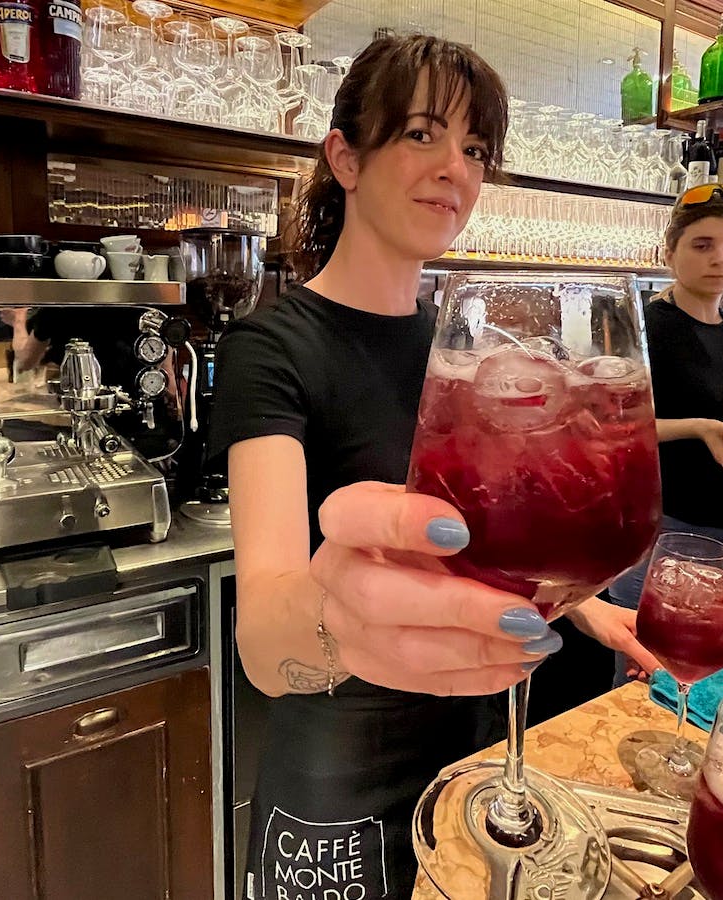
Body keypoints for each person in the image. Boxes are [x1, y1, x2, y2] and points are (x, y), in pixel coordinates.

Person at [209, 34, 659, 897]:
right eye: (421, 134)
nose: (455, 167)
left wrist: (582, 603)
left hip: (477, 752)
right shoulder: (271, 348)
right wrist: (340, 617)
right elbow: (264, 638)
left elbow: (479, 540)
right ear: (344, 155)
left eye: (476, 148)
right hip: (341, 777)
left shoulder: (470, 350)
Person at [606, 184, 723, 679]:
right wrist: (697, 428)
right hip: (663, 528)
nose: (719, 258)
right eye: (702, 245)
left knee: (706, 672)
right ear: (670, 251)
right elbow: (610, 427)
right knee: (644, 674)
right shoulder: (644, 327)